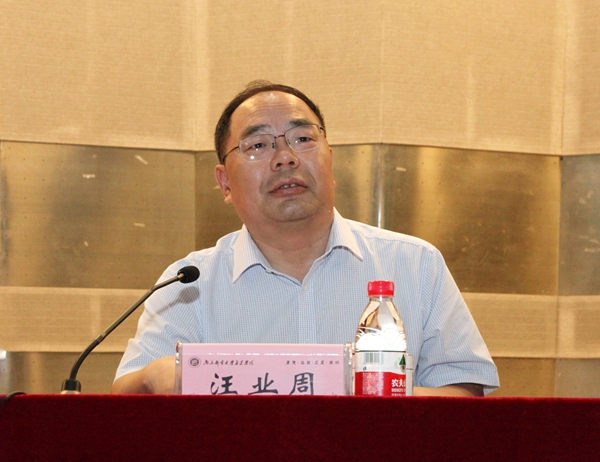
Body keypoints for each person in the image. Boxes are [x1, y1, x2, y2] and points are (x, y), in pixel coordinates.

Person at [111, 80, 499, 396]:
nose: (286, 158)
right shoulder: (189, 284)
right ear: (225, 183)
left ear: (330, 158)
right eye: (258, 145)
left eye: (302, 139)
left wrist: (370, 394)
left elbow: (464, 393)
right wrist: (154, 376)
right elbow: (126, 398)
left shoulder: (415, 264)